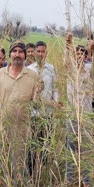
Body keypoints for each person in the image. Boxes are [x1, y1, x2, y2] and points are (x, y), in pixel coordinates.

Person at [0, 41, 40, 187]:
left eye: (21, 51)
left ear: (25, 55)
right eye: (14, 51)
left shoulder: (33, 76)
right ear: (10, 54)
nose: (17, 54)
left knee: (19, 166)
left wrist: (38, 95)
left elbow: (37, 106)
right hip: (3, 130)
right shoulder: (0, 74)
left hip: (22, 131)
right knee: (3, 165)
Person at [65, 33, 94, 187]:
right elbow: (66, 61)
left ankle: (86, 183)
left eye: (82, 54)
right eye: (76, 54)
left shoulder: (89, 72)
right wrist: (67, 45)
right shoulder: (70, 72)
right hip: (71, 118)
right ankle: (69, 180)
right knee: (70, 150)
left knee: (85, 151)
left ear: (86, 57)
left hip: (85, 118)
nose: (79, 56)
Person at [27, 41, 59, 176]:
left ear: (46, 53)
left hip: (48, 114)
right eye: (38, 51)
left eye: (42, 52)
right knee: (32, 147)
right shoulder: (29, 70)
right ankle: (30, 175)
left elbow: (55, 88)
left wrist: (56, 102)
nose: (40, 54)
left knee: (46, 146)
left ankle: (43, 174)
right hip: (34, 114)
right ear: (34, 53)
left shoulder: (51, 69)